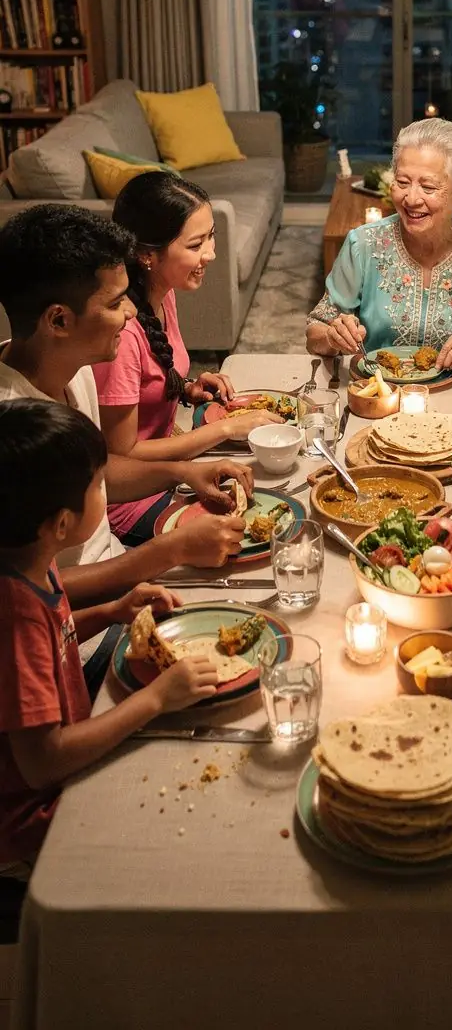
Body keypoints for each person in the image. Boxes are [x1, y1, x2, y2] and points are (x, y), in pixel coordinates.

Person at [0, 205, 248, 679]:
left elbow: (96, 472)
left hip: (122, 589)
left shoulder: (75, 368)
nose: (131, 311)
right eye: (114, 303)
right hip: (72, 649)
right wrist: (167, 551)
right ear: (58, 320)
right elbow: (24, 598)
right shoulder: (14, 428)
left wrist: (182, 472)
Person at [0, 399, 218, 877]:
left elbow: (56, 640)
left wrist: (112, 612)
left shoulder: (32, 565)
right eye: (97, 484)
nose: (106, 490)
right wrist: (156, 699)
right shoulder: (16, 614)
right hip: (33, 820)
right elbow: (42, 762)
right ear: (61, 524)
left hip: (61, 769)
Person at [93, 172, 278, 543]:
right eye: (195, 244)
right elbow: (123, 453)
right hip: (132, 499)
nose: (210, 253)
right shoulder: (124, 333)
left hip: (173, 468)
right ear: (147, 255)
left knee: (270, 489)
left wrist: (185, 388)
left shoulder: (162, 293)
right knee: (252, 533)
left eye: (211, 236)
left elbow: (149, 381)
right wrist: (223, 429)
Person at [307, 117, 452, 368]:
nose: (411, 199)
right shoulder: (363, 244)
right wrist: (331, 336)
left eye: (428, 187)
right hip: (380, 394)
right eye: (402, 182)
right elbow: (315, 332)